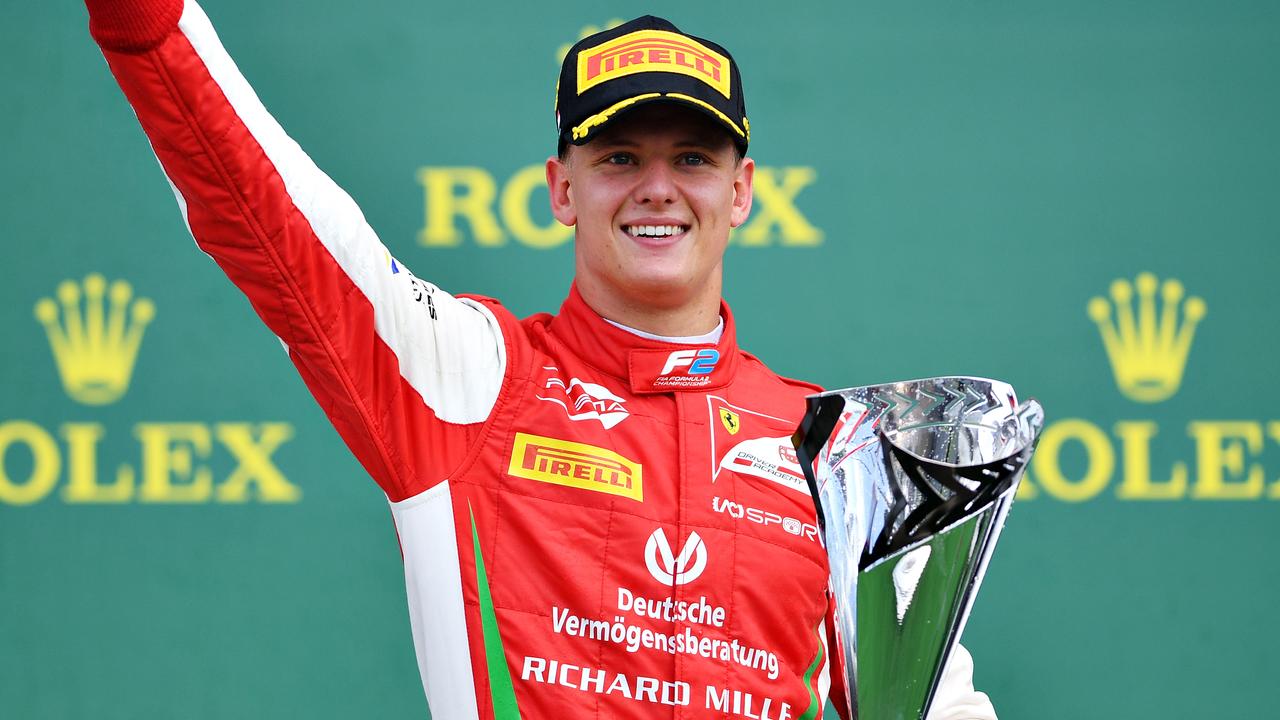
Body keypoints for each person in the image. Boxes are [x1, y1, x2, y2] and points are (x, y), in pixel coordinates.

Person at [84, 1, 999, 717]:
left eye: (692, 156)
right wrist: (147, 27)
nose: (656, 188)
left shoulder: (836, 456)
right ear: (563, 186)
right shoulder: (472, 382)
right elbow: (273, 217)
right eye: (617, 157)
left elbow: (939, 706)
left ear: (742, 190)